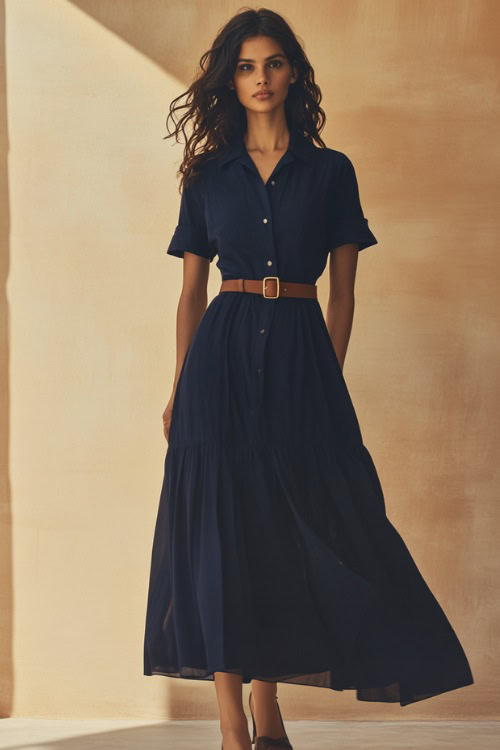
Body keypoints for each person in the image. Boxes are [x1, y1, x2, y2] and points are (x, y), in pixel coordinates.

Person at [143, 8, 473, 750]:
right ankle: (236, 726)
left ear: (294, 73)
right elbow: (191, 293)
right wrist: (178, 386)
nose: (261, 79)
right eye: (247, 66)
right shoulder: (207, 176)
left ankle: (270, 703)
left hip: (301, 358)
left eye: (274, 64)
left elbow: (344, 293)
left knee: (285, 532)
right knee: (218, 540)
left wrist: (326, 378)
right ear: (232, 79)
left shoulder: (331, 172)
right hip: (217, 366)